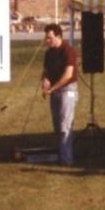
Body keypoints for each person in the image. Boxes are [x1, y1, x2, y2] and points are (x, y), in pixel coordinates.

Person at [40, 23, 79, 166]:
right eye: (46, 38)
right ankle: (62, 154)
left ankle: (66, 160)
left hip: (67, 90)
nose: (47, 40)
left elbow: (68, 75)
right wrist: (45, 82)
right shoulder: (48, 53)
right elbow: (46, 71)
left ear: (59, 37)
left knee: (65, 126)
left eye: (50, 38)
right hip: (55, 92)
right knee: (57, 126)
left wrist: (53, 88)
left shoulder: (68, 51)